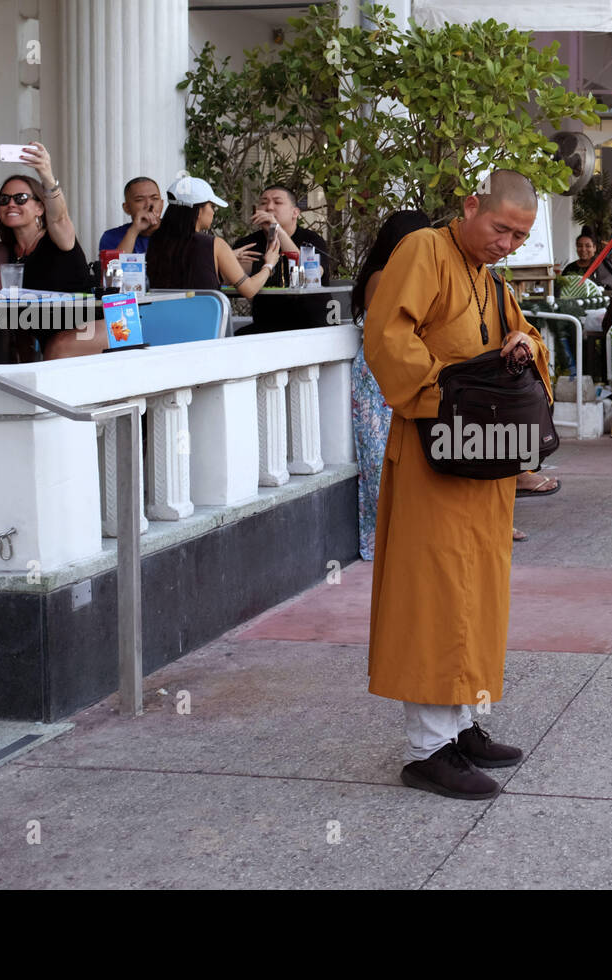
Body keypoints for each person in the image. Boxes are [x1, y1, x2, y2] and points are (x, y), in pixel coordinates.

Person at [363, 170, 552, 799]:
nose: (507, 244)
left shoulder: (491, 280)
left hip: (482, 456)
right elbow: (387, 336)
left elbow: (518, 339)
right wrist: (451, 389)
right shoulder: (423, 249)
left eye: (519, 236)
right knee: (434, 593)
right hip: (433, 449)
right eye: (500, 228)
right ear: (471, 207)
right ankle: (427, 748)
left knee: (479, 588)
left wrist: (522, 344)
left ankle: (464, 721)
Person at [350, 209, 432, 561]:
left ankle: (409, 536)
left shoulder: (402, 273)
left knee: (406, 455)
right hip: (379, 375)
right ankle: (391, 540)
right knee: (382, 458)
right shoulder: (383, 277)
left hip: (397, 372)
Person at [0, 142, 95, 359]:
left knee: (57, 347)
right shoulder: (5, 251)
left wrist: (47, 176)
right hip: (48, 332)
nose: (10, 204)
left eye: (20, 198)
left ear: (40, 208)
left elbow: (59, 216)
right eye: (4, 200)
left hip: (102, 324)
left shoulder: (58, 237)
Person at [146, 176, 281, 297]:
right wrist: (269, 264)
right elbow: (249, 289)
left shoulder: (155, 240)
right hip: (203, 323)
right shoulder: (215, 244)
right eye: (211, 206)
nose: (213, 212)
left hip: (161, 321)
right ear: (198, 211)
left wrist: (225, 258)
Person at [232, 184, 333, 334]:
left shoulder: (311, 240)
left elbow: (311, 273)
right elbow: (231, 276)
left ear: (295, 212)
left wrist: (277, 230)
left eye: (277, 202)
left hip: (312, 326)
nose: (269, 207)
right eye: (264, 202)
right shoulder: (247, 244)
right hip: (266, 325)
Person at [98, 176, 164, 255]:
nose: (149, 204)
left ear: (162, 204)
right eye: (139, 200)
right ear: (126, 208)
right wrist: (134, 230)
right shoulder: (111, 237)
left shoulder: (178, 232)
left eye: (155, 198)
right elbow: (115, 267)